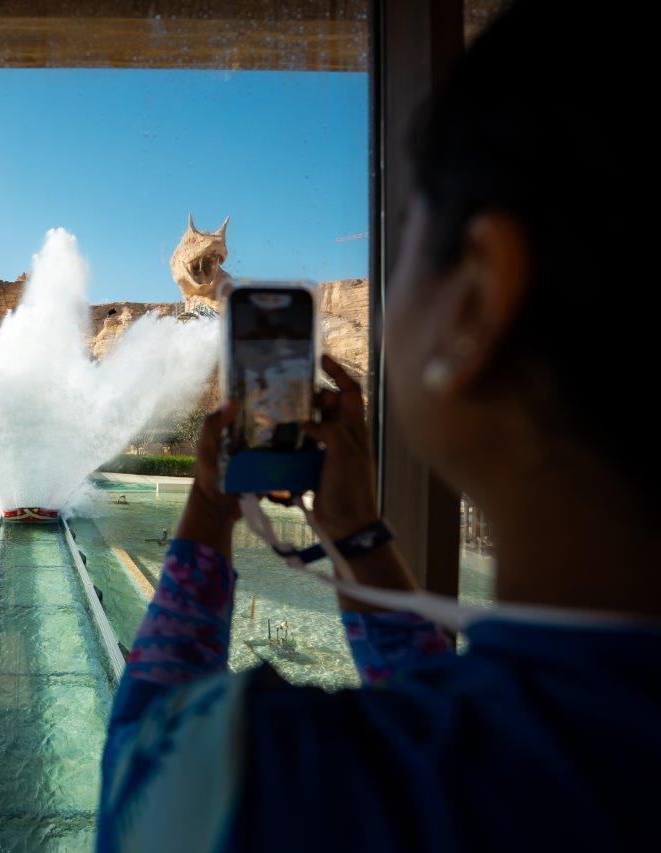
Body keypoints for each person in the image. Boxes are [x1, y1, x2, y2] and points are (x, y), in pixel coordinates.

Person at [99, 4, 658, 851]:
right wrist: (355, 531)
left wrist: (214, 505)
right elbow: (481, 712)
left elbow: (142, 771)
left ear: (477, 298)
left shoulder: (300, 785)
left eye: (406, 249)